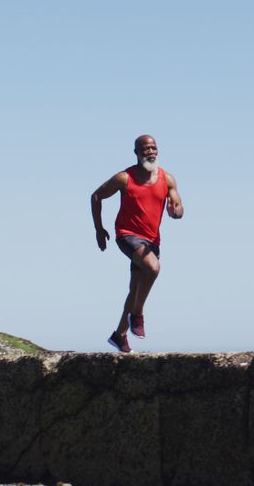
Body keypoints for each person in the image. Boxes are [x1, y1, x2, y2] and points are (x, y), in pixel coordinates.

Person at [90, 134, 184, 353]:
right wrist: (98, 230)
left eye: (153, 148)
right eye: (145, 149)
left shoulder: (167, 179)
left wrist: (175, 211)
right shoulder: (125, 178)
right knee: (153, 268)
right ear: (136, 153)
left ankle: (119, 335)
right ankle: (137, 315)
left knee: (135, 288)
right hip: (127, 234)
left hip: (152, 239)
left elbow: (178, 207)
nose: (150, 152)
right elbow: (96, 196)